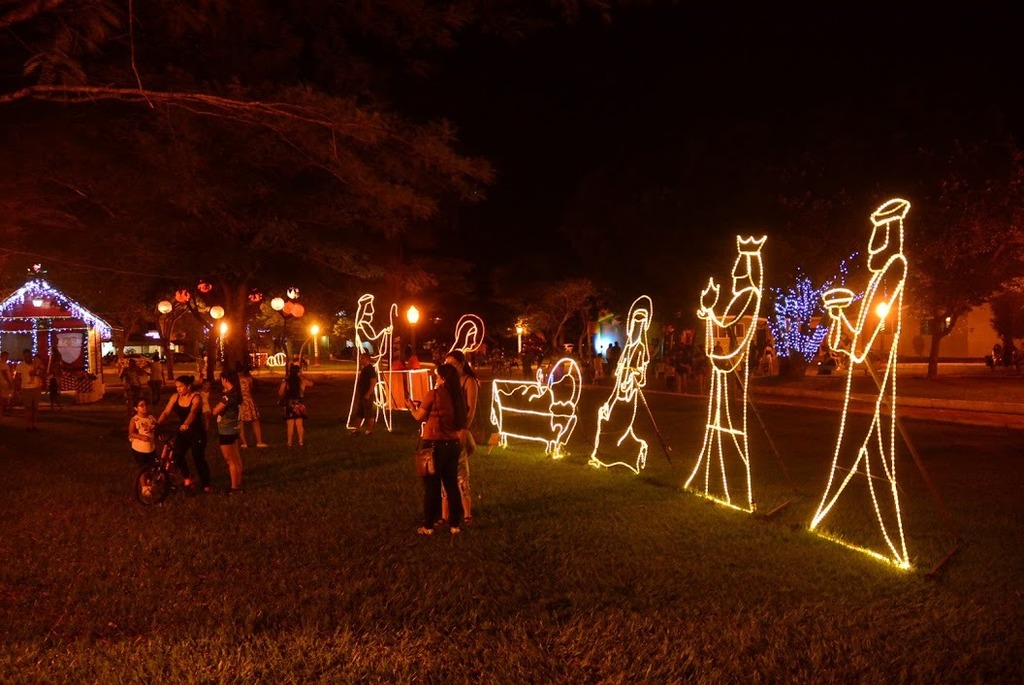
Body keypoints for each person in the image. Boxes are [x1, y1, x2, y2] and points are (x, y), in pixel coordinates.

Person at [407, 363, 467, 536]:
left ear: (444, 378)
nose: (436, 378)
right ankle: (455, 524)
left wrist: (411, 406)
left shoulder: (434, 394)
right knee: (451, 485)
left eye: (438, 376)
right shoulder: (458, 396)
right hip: (453, 445)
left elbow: (419, 416)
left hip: (434, 444)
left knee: (431, 487)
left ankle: (428, 525)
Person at [157, 375, 213, 492]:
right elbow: (166, 413)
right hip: (182, 432)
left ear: (188, 386)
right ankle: (187, 478)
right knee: (177, 454)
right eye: (176, 386)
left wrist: (186, 424)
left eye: (181, 386)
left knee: (198, 457)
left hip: (196, 431)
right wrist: (157, 424)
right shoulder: (175, 397)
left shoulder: (196, 398)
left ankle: (206, 484)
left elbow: (192, 413)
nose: (178, 389)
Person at [443, 349, 479, 524]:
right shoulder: (448, 381)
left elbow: (471, 408)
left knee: (461, 472)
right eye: (447, 364)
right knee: (447, 472)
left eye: (452, 364)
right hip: (447, 431)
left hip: (460, 429)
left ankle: (466, 513)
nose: (449, 367)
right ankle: (446, 512)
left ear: (462, 364)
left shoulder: (468, 381)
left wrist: (464, 428)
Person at [212, 370, 244, 494]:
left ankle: (234, 488)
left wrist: (214, 408)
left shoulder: (228, 396)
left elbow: (215, 411)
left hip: (227, 431)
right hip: (234, 429)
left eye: (221, 379)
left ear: (225, 379)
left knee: (230, 460)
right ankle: (238, 483)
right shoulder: (237, 393)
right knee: (236, 458)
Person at [279, 364, 310, 447]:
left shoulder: (286, 381)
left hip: (289, 404)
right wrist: (303, 376)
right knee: (299, 425)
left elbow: (280, 392)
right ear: (298, 372)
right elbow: (311, 383)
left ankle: (289, 442)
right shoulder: (302, 381)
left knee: (290, 425)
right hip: (299, 404)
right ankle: (301, 441)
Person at [236, 365, 267, 448]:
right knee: (255, 421)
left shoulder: (235, 381)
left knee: (240, 422)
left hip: (240, 402)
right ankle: (259, 441)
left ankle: (244, 443)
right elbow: (251, 389)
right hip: (248, 400)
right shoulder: (248, 379)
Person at [15, 349, 45, 431]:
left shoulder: (37, 364)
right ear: (24, 356)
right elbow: (17, 378)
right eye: (26, 356)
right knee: (28, 408)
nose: (28, 357)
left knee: (35, 408)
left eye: (29, 355)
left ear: (31, 355)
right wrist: (17, 389)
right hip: (26, 388)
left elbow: (43, 374)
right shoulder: (20, 365)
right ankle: (29, 425)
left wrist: (36, 373)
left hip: (36, 387)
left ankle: (34, 424)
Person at [127, 397, 158, 468]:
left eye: (146, 405)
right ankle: (143, 478)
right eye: (141, 406)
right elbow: (131, 433)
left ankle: (151, 479)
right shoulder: (135, 420)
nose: (145, 407)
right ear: (136, 408)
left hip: (150, 447)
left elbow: (156, 425)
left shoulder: (150, 418)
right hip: (139, 449)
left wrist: (155, 426)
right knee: (143, 468)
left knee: (153, 466)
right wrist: (141, 436)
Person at [350, 352, 377, 435]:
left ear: (366, 359)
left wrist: (368, 394)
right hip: (362, 395)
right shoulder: (365, 369)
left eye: (362, 358)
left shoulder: (370, 369)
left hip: (367, 395)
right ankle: (357, 429)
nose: (360, 360)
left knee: (368, 413)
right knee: (359, 412)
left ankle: (370, 430)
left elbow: (373, 382)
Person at [0, 351, 14, 416]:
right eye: (6, 356)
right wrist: (9, 382)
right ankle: (3, 411)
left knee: (4, 397)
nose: (7, 358)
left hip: (3, 382)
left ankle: (3, 411)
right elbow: (4, 374)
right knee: (5, 398)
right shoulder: (3, 364)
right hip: (5, 383)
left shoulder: (3, 363)